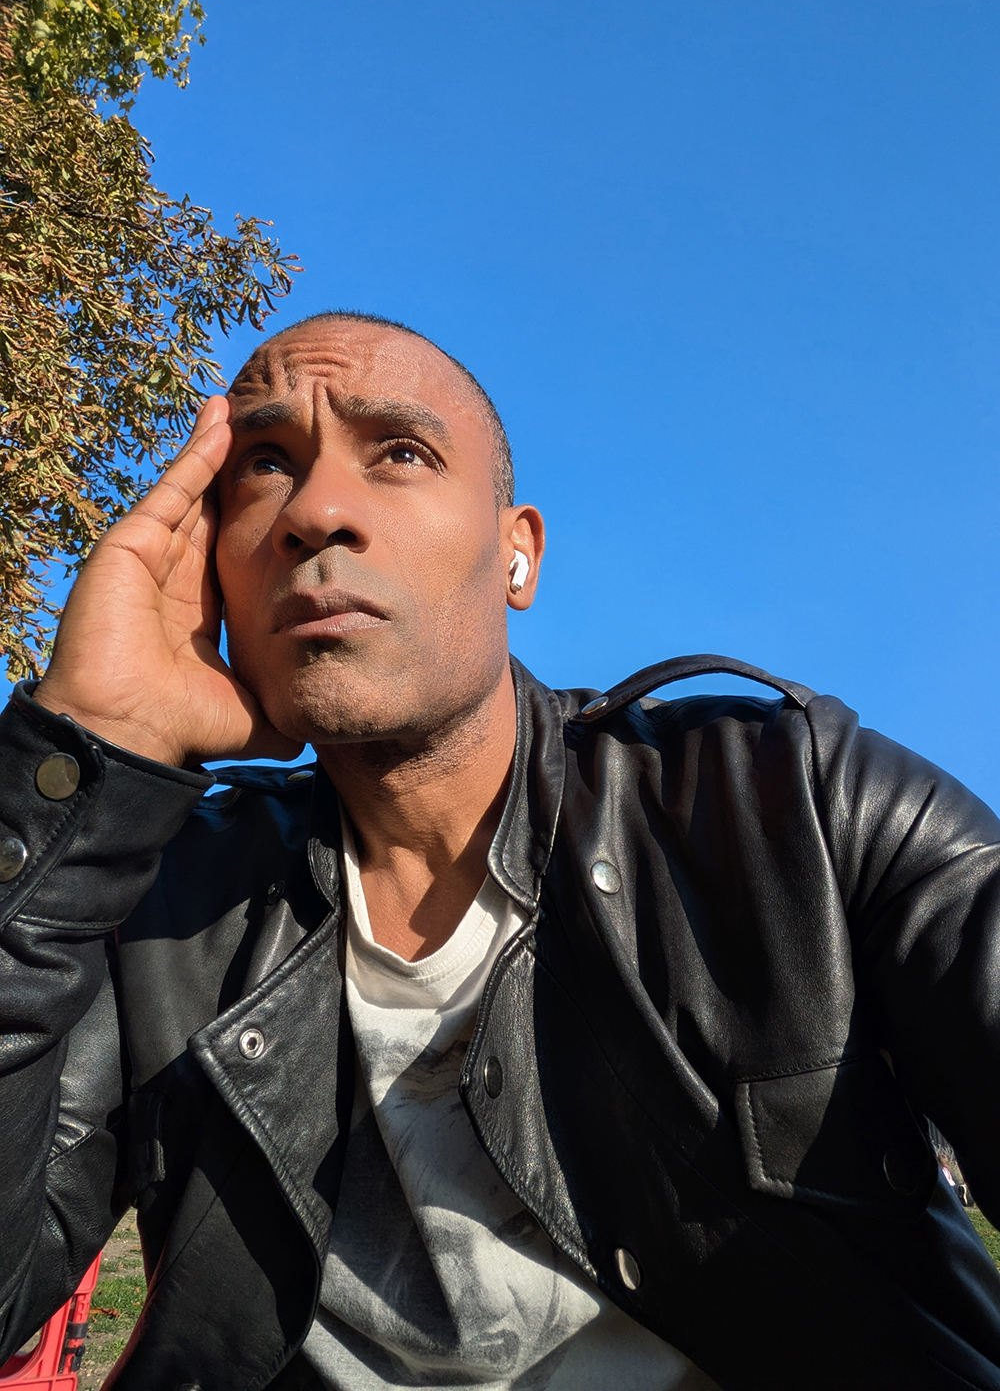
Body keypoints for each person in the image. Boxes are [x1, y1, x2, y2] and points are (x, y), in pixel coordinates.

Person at [0, 312, 998, 1391]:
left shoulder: (783, 798)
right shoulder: (154, 890)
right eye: (264, 466)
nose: (317, 511)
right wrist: (85, 757)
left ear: (516, 550)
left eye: (399, 453)